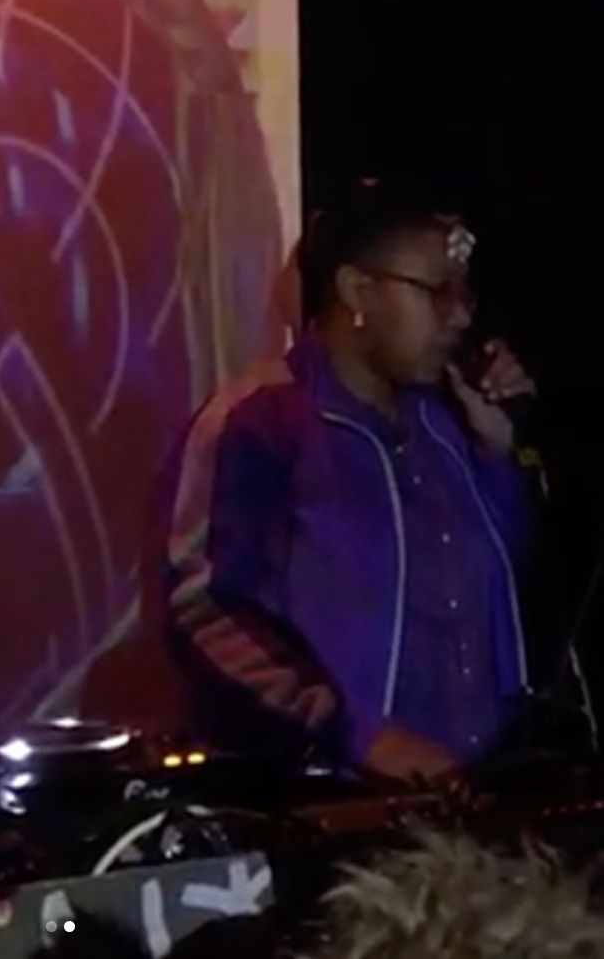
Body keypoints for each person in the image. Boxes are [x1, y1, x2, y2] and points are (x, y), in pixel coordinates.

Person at [163, 180, 544, 783]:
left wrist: (499, 451)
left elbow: (512, 588)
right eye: (437, 292)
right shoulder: (259, 421)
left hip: (471, 799)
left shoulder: (450, 421)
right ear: (355, 292)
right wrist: (358, 736)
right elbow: (207, 612)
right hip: (333, 801)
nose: (462, 315)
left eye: (465, 293)